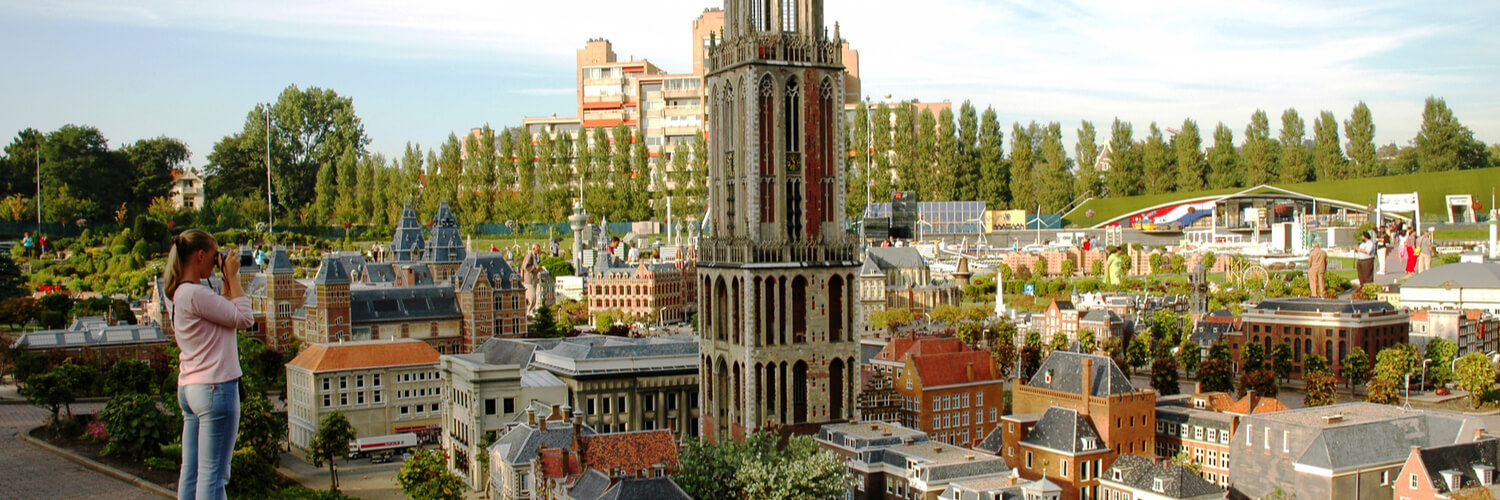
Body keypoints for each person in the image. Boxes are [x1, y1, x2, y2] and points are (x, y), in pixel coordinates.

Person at [162, 229, 253, 500]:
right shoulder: (195, 294)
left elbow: (223, 313)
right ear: (200, 256)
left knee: (191, 472)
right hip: (216, 388)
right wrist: (233, 277)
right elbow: (244, 319)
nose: (216, 263)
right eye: (214, 257)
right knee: (214, 475)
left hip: (191, 388)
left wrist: (226, 283)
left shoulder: (178, 294)